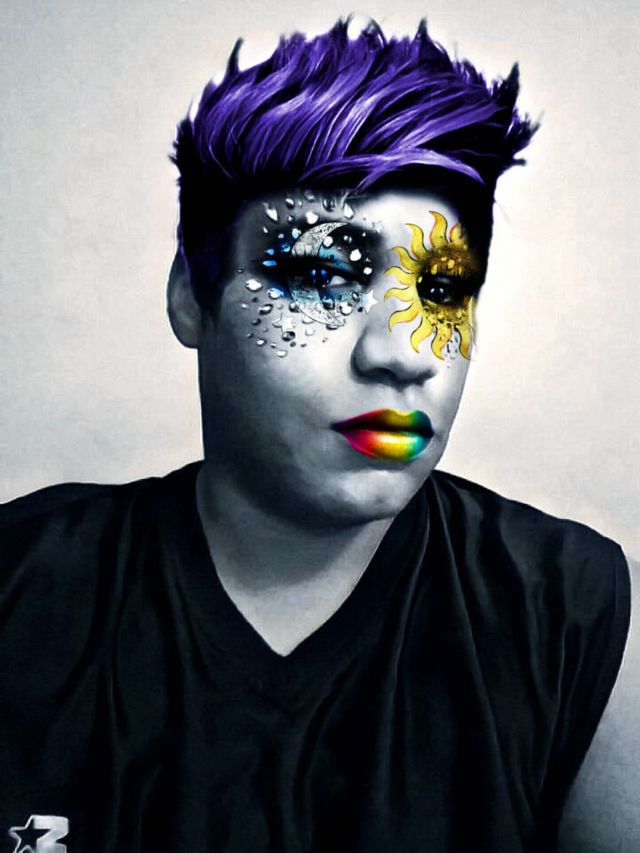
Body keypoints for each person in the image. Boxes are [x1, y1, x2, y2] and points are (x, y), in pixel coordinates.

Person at [0, 17, 636, 853]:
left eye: (442, 289)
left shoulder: (574, 614)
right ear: (192, 295)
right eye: (324, 274)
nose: (404, 353)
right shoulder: (20, 588)